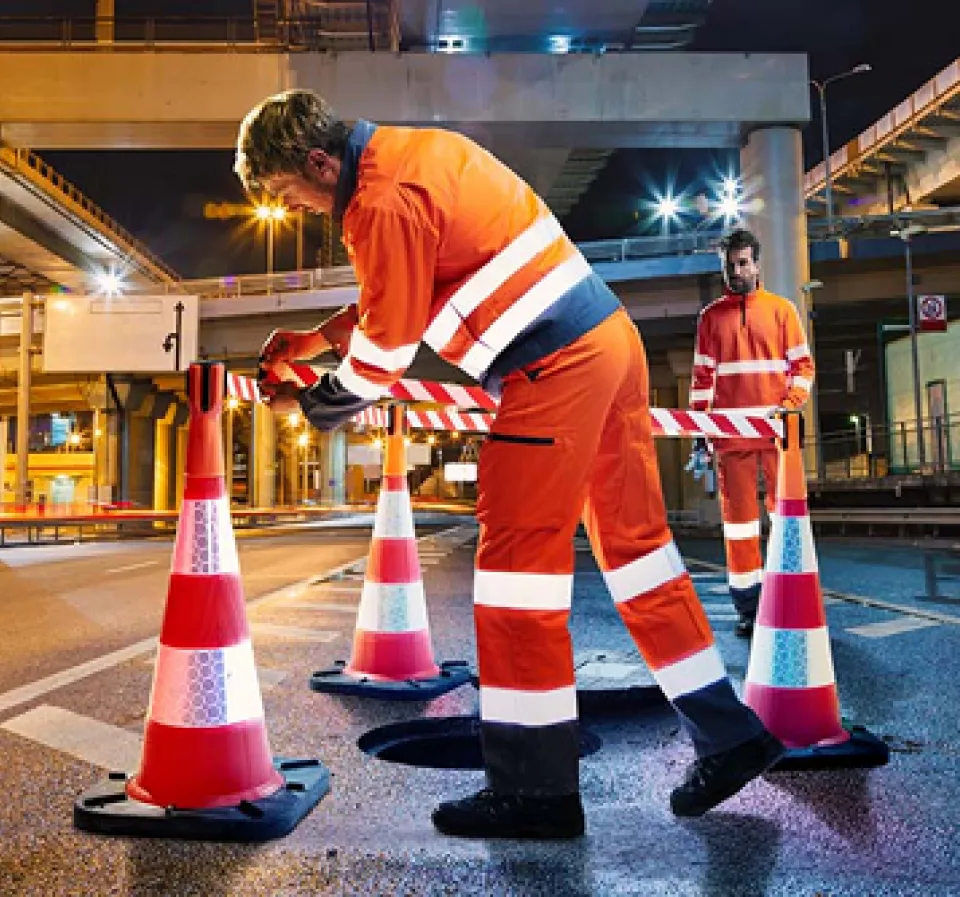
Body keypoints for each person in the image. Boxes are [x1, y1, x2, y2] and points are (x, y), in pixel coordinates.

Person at [235, 89, 784, 839]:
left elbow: (391, 347)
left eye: (283, 192)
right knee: (639, 559)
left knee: (516, 576)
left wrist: (318, 401)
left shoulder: (377, 200)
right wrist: (314, 340)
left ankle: (536, 792)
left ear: (318, 163)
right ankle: (731, 737)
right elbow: (412, 289)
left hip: (550, 368)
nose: (291, 207)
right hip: (607, 346)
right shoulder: (411, 156)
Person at [688, 228, 815, 638]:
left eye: (743, 263)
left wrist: (790, 405)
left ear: (757, 264)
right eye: (730, 264)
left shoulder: (783, 311)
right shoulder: (710, 318)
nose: (737, 271)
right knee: (739, 529)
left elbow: (803, 369)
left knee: (786, 524)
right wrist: (699, 433)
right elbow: (702, 380)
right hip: (730, 442)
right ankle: (748, 609)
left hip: (778, 438)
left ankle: (790, 600)